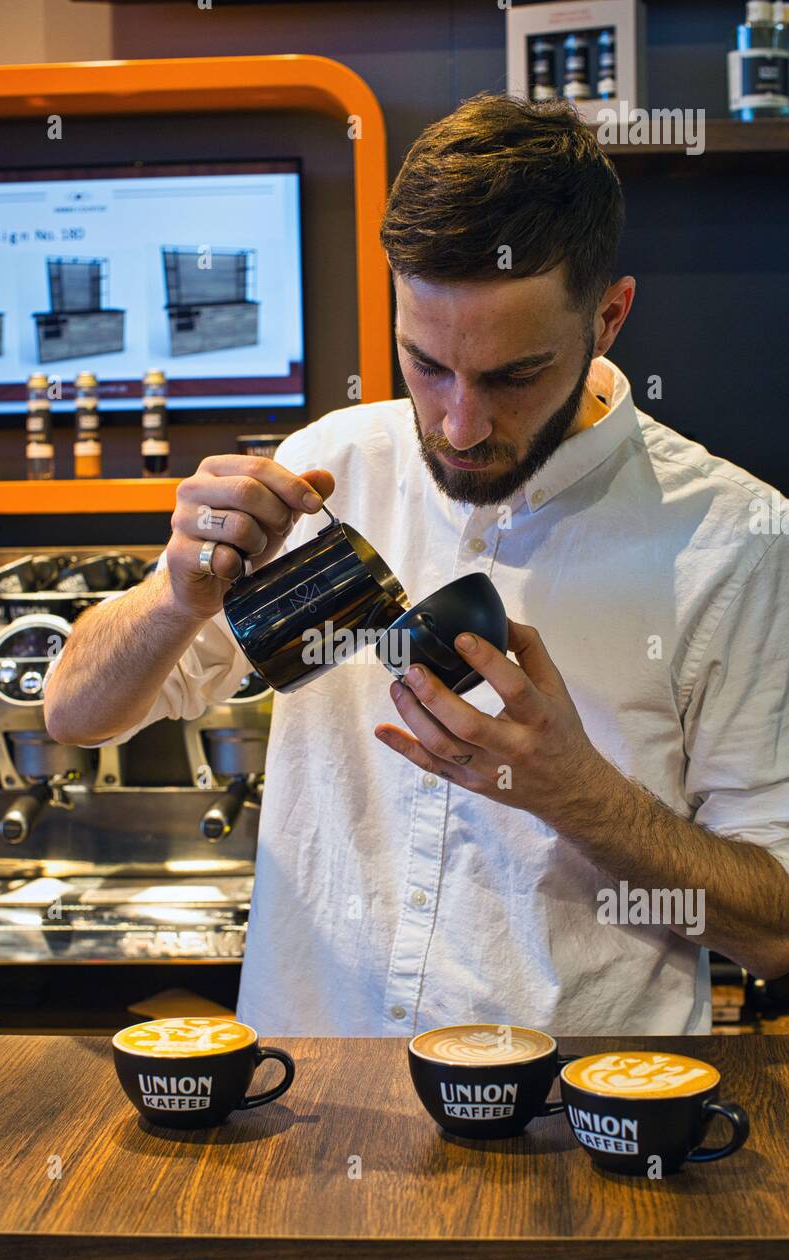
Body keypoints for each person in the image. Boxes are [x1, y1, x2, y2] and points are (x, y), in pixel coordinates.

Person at [44, 95, 789, 1037]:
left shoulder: (733, 538)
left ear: (608, 318)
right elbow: (74, 715)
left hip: (573, 1138)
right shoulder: (332, 467)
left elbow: (777, 931)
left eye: (514, 375)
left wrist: (578, 796)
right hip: (306, 1108)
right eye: (425, 364)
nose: (458, 426)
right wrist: (171, 598)